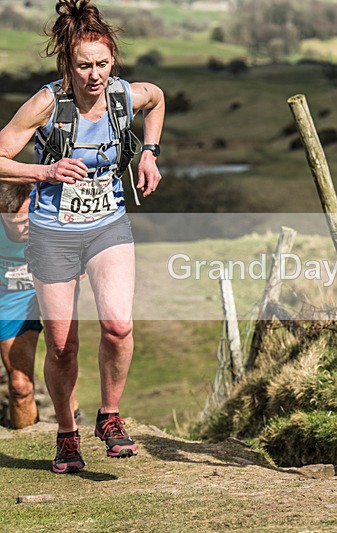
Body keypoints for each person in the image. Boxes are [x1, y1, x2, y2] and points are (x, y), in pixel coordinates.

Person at [0, 0, 164, 474]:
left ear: (114, 61)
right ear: (66, 64)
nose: (95, 75)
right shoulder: (46, 104)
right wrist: (43, 170)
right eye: (84, 65)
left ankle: (109, 418)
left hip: (108, 225)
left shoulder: (123, 96)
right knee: (61, 345)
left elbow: (156, 99)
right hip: (53, 234)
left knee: (118, 325)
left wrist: (149, 154)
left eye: (103, 64)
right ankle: (67, 434)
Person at [0, 183, 43, 429]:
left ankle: (73, 414)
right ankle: (26, 445)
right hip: (11, 300)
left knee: (65, 355)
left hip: (55, 292)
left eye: (26, 220)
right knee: (19, 386)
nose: (20, 228)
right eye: (11, 222)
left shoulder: (53, 214)